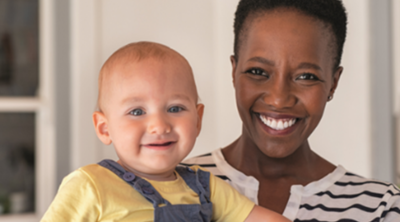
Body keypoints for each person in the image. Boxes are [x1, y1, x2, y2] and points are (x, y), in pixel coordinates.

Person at [183, 0, 400, 221]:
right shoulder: (169, 185)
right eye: (258, 71)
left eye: (306, 77)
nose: (278, 100)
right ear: (234, 71)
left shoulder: (381, 207)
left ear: (333, 83)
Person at [41, 42, 290, 222]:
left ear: (197, 120)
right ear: (105, 128)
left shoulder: (206, 188)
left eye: (175, 108)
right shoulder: (90, 185)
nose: (159, 125)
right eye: (137, 111)